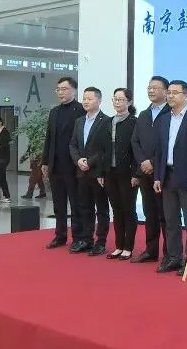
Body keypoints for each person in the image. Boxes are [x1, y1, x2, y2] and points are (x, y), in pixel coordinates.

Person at [153, 80, 187, 275]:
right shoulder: (163, 119)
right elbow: (159, 151)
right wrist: (157, 177)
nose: (170, 96)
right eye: (168, 92)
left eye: (175, 93)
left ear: (186, 95)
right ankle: (174, 257)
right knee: (171, 220)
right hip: (167, 176)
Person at [130, 76, 171, 264]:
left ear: (166, 91)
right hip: (145, 172)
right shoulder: (144, 115)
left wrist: (153, 162)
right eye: (149, 87)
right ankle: (151, 250)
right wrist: (142, 162)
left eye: (155, 88)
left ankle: (170, 253)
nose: (151, 90)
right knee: (150, 214)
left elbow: (170, 144)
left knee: (167, 215)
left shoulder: (171, 113)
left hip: (164, 172)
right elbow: (135, 141)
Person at [42, 77, 86, 250]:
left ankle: (78, 237)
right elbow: (49, 138)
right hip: (55, 164)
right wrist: (45, 161)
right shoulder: (54, 112)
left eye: (64, 89)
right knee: (58, 204)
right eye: (58, 89)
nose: (60, 92)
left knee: (76, 203)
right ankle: (60, 235)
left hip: (73, 165)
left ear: (74, 90)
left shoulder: (81, 110)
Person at [69, 87, 111, 256]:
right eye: (84, 98)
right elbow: (73, 144)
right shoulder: (79, 121)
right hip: (81, 171)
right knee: (84, 207)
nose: (85, 101)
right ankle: (86, 239)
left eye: (90, 99)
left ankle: (101, 242)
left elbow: (106, 149)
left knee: (101, 209)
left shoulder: (106, 121)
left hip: (98, 172)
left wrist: (89, 161)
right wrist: (78, 160)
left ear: (99, 101)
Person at [104, 88, 139, 260]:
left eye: (121, 99)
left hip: (128, 173)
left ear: (129, 102)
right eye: (115, 99)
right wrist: (101, 172)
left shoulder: (134, 122)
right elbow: (103, 149)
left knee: (128, 209)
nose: (117, 102)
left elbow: (137, 149)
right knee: (116, 209)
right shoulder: (108, 121)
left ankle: (128, 247)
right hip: (110, 172)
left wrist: (136, 173)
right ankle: (118, 245)